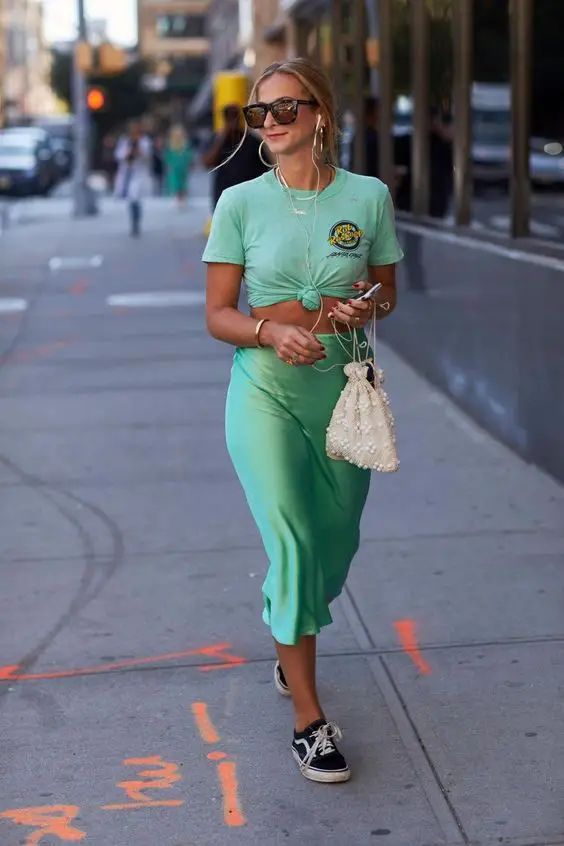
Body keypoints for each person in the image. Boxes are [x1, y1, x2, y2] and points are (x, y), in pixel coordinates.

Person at [202, 58, 404, 783]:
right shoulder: (240, 204)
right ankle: (309, 721)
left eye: (288, 107)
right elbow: (218, 315)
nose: (274, 121)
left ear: (320, 113)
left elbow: (388, 294)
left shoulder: (368, 197)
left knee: (333, 545)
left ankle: (289, 617)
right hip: (263, 393)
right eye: (261, 113)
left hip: (341, 393)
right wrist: (267, 333)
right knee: (290, 542)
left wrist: (363, 307)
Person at [201, 103, 269, 209]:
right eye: (229, 118)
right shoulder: (217, 139)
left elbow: (265, 169)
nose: (232, 121)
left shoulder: (252, 141)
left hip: (249, 198)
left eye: (235, 117)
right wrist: (222, 139)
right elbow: (206, 163)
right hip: (223, 197)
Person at [114, 120, 153, 237]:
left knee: (135, 198)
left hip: (139, 174)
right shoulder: (124, 141)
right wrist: (128, 152)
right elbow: (119, 155)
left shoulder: (144, 141)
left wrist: (139, 151)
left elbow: (147, 156)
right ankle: (133, 222)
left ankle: (136, 223)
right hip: (127, 174)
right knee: (131, 199)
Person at [164, 124, 194, 205]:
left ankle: (183, 197)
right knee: (175, 182)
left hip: (183, 168)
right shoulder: (170, 145)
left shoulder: (185, 145)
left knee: (183, 183)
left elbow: (189, 156)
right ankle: (177, 197)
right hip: (175, 169)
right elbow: (168, 158)